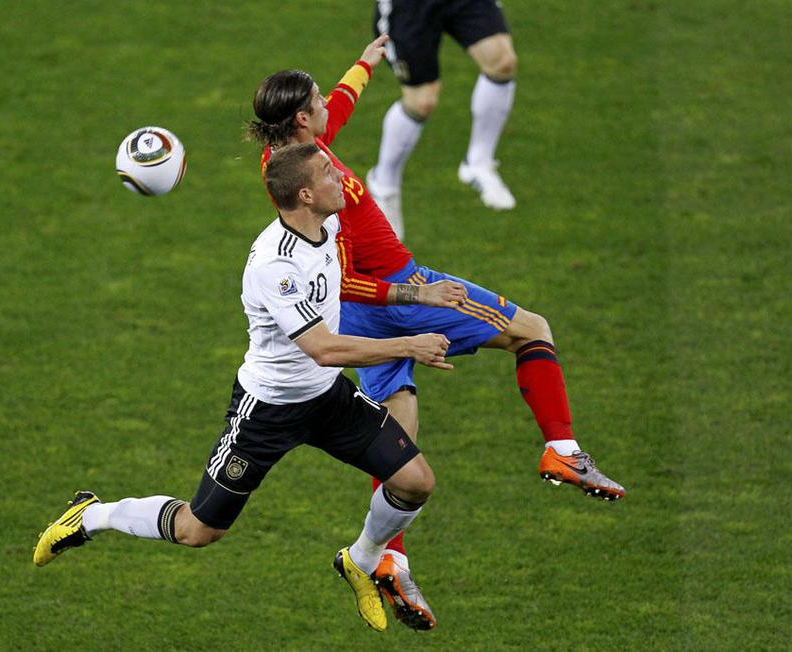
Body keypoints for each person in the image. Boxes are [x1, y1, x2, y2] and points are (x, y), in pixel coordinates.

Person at [249, 36, 625, 631]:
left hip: (362, 319)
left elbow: (337, 108)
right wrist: (416, 294)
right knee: (531, 330)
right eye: (315, 98)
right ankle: (561, 448)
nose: (326, 104)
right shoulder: (312, 188)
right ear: (300, 118)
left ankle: (387, 559)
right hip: (399, 294)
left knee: (397, 442)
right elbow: (345, 279)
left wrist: (366, 63)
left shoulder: (295, 156)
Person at [33, 143, 455, 634]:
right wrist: (408, 344)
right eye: (327, 172)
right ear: (305, 195)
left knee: (415, 482)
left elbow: (345, 283)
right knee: (198, 530)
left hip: (327, 398)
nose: (341, 178)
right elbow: (322, 348)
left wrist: (416, 293)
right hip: (268, 411)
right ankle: (91, 516)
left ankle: (360, 560)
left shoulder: (330, 224)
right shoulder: (274, 266)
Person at [367, 0, 519, 238]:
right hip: (409, 8)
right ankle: (383, 184)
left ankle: (478, 163)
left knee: (502, 62)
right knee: (421, 101)